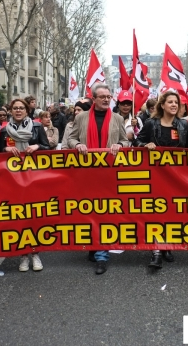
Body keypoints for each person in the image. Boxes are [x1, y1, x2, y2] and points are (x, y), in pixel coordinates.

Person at [68, 83, 129, 275]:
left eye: (108, 97)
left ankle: (102, 255)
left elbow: (126, 140)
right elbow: (70, 139)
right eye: (102, 96)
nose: (106, 99)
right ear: (93, 99)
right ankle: (94, 245)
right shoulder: (81, 117)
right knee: (89, 211)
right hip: (86, 174)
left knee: (105, 212)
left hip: (109, 174)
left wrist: (120, 144)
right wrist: (77, 144)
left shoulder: (118, 118)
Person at [133, 91, 188, 269]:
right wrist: (145, 145)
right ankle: (156, 250)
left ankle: (168, 245)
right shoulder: (151, 123)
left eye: (176, 102)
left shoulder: (184, 126)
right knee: (156, 212)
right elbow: (136, 143)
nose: (174, 105)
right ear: (162, 105)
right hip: (155, 176)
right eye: (170, 102)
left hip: (176, 177)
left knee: (172, 212)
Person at [0, 99, 51, 272]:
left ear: (27, 111)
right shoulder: (4, 130)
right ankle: (23, 255)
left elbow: (47, 148)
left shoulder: (36, 127)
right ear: (11, 111)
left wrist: (37, 146)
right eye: (15, 108)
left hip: (33, 178)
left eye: (22, 108)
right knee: (19, 217)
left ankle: (35, 254)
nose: (18, 111)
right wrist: (4, 150)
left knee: (34, 216)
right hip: (12, 179)